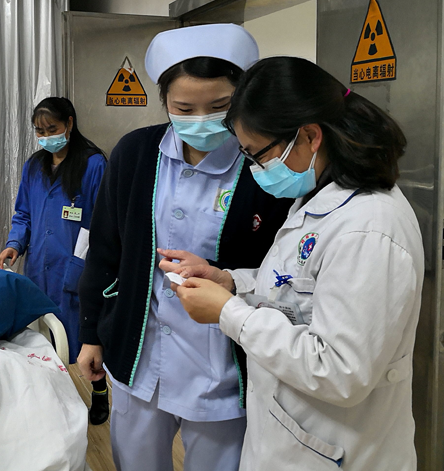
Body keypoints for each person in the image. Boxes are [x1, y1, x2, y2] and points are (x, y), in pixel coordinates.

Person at [168, 57, 422, 471]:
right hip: (292, 437)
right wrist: (230, 281)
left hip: (337, 452)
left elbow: (340, 371)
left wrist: (229, 313)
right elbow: (298, 286)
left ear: (309, 135)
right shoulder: (320, 196)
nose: (256, 169)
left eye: (258, 154)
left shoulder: (368, 228)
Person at [77, 25, 293, 471]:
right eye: (184, 108)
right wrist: (90, 333)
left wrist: (226, 278)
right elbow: (105, 249)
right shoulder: (136, 153)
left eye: (219, 106)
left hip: (222, 365)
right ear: (165, 103)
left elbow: (277, 264)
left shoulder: (262, 162)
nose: (201, 120)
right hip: (140, 353)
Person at [0, 97, 109, 424]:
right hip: (40, 267)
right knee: (43, 337)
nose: (46, 137)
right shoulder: (34, 166)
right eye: (39, 131)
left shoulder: (93, 164)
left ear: (69, 124)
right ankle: (52, 397)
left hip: (76, 267)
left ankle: (99, 393)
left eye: (52, 129)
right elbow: (24, 214)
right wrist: (14, 244)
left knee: (83, 339)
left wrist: (82, 268)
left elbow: (100, 225)